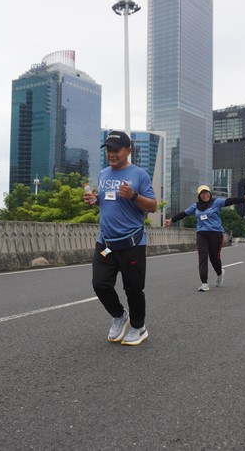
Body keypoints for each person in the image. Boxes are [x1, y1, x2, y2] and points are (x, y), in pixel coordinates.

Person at [84, 131, 157, 346]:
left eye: (116, 150)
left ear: (128, 151)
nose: (111, 154)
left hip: (131, 244)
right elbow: (107, 201)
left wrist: (133, 195)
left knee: (133, 289)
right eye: (108, 150)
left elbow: (153, 206)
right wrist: (95, 200)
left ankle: (138, 327)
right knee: (100, 284)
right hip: (106, 244)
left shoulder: (139, 175)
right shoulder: (103, 173)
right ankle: (119, 315)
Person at [163, 186, 245, 292]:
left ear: (210, 193)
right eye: (202, 193)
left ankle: (220, 273)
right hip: (201, 234)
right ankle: (204, 284)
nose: (205, 195)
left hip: (216, 234)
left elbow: (230, 201)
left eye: (207, 193)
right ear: (199, 196)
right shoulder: (195, 206)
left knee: (214, 258)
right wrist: (172, 220)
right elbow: (184, 213)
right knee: (202, 257)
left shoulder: (216, 202)